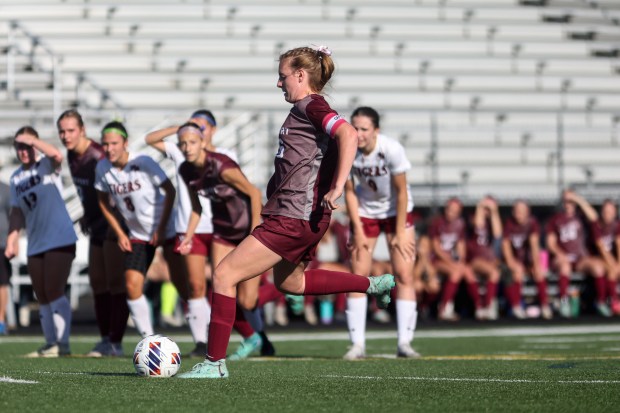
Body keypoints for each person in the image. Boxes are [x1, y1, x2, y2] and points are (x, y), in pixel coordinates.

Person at [178, 45, 396, 379]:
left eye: (282, 77)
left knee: (224, 275)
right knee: (291, 283)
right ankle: (372, 285)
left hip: (292, 217)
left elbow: (348, 133)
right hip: (300, 216)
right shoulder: (304, 109)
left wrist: (338, 185)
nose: (278, 84)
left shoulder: (312, 105)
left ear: (300, 75)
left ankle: (214, 363)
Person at [160, 120, 276, 359]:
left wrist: (255, 232)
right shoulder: (185, 170)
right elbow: (195, 208)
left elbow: (254, 193)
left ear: (203, 142)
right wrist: (188, 237)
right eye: (182, 144)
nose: (187, 148)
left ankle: (282, 291)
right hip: (223, 232)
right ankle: (250, 337)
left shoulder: (221, 165)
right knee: (220, 287)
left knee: (247, 299)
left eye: (192, 142)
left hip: (247, 229)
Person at [342, 106, 418, 360]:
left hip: (396, 210)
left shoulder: (392, 149)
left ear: (376, 130)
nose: (359, 133)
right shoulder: (347, 149)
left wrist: (399, 231)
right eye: (355, 128)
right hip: (365, 212)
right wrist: (358, 229)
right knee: (358, 276)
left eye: (364, 129)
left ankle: (404, 342)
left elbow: (402, 191)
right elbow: (349, 192)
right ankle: (357, 344)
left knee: (405, 273)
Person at [94, 121, 179, 337]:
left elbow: (170, 191)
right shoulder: (102, 168)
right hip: (139, 235)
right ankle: (149, 340)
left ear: (125, 143)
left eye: (114, 143)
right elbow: (103, 202)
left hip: (166, 229)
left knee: (184, 285)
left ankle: (203, 341)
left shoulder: (144, 162)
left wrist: (160, 228)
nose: (109, 148)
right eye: (105, 144)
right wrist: (121, 232)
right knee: (131, 285)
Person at [56, 109, 128, 356]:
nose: (65, 136)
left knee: (115, 283)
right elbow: (89, 192)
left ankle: (115, 341)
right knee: (98, 282)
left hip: (112, 225)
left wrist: (116, 227)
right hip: (96, 223)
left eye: (71, 130)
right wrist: (87, 213)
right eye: (62, 131)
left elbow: (114, 193)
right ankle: (106, 339)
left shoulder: (97, 155)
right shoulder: (72, 154)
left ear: (83, 130)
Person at [5, 126, 77, 356]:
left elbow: (57, 155)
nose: (24, 151)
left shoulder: (46, 165)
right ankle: (50, 343)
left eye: (27, 146)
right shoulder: (16, 177)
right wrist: (12, 238)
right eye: (20, 147)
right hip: (36, 240)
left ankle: (62, 344)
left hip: (59, 236)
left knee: (54, 289)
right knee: (42, 293)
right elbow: (16, 212)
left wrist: (34, 141)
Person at [545, 189, 610, 317]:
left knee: (598, 267)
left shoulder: (582, 217)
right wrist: (560, 253)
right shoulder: (555, 219)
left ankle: (601, 302)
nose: (568, 204)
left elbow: (594, 217)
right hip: (563, 258)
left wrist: (577, 199)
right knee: (565, 266)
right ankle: (563, 301)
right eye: (566, 201)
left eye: (571, 201)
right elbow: (550, 243)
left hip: (580, 259)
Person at [502, 199, 552, 319]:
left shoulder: (532, 223)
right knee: (516, 271)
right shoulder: (509, 223)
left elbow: (535, 246)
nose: (518, 213)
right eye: (516, 211)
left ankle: (545, 305)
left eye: (521, 211)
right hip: (514, 262)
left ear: (527, 212)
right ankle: (516, 306)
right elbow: (506, 245)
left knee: (539, 272)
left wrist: (536, 264)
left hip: (528, 260)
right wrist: (511, 263)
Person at [428, 197, 477, 321]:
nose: (452, 213)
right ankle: (444, 308)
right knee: (455, 272)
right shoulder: (437, 223)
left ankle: (481, 307)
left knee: (468, 271)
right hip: (436, 261)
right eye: (450, 209)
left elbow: (460, 246)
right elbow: (436, 248)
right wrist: (452, 262)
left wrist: (460, 261)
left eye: (455, 210)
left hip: (450, 260)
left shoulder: (460, 224)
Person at [466, 196, 502, 320]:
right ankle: (483, 306)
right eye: (486, 209)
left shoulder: (492, 223)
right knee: (494, 272)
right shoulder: (473, 219)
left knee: (494, 273)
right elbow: (478, 226)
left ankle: (487, 305)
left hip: (489, 261)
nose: (487, 211)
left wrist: (494, 212)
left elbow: (498, 234)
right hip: (475, 260)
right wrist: (480, 207)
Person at [589, 199, 620, 315]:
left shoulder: (617, 225)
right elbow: (601, 248)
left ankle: (612, 301)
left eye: (611, 212)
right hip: (597, 259)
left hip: (612, 260)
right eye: (606, 211)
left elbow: (619, 244)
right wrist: (614, 265)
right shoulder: (596, 226)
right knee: (604, 269)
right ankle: (606, 301)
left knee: (614, 269)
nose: (608, 214)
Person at [0, 181, 13, 335]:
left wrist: (14, 241)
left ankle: (1, 321)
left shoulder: (5, 189)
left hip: (1, 244)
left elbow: (14, 215)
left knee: (1, 283)